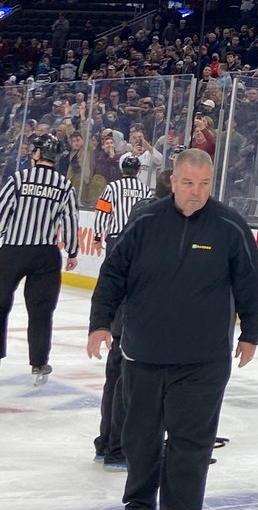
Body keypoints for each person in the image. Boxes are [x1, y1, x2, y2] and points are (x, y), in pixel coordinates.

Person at [87, 149, 258, 510]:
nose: (195, 191)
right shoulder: (145, 220)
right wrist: (100, 323)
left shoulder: (229, 226)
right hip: (143, 356)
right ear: (173, 182)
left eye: (203, 184)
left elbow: (249, 283)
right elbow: (113, 275)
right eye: (188, 183)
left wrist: (250, 333)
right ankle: (138, 503)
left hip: (203, 362)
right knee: (140, 440)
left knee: (191, 445)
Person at [93, 167, 170, 472]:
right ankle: (119, 449)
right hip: (137, 310)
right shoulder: (157, 220)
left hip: (124, 307)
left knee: (117, 374)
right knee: (129, 379)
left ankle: (107, 443)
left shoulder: (140, 210)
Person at [0, 134, 79, 384]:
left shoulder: (19, 179)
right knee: (41, 311)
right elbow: (69, 220)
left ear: (37, 153)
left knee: (0, 303)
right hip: (45, 253)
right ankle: (39, 363)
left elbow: (2, 212)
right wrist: (73, 252)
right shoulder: (64, 185)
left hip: (13, 249)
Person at [94, 153, 153, 247]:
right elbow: (149, 213)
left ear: (122, 170)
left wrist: (98, 236)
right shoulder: (145, 189)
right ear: (138, 170)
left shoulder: (112, 187)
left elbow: (102, 212)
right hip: (135, 238)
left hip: (115, 236)